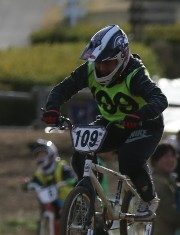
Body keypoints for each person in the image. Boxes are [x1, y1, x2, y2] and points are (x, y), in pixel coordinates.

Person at [41, 24, 167, 222]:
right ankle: (91, 195)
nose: (101, 68)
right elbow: (62, 89)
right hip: (112, 124)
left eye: (108, 64)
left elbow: (160, 99)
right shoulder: (89, 70)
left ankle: (148, 199)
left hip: (145, 125)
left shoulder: (135, 75)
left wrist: (139, 116)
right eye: (98, 63)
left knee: (129, 160)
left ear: (123, 58)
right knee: (81, 153)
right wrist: (52, 110)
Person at [23, 139, 77, 235]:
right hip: (50, 199)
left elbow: (71, 177)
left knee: (65, 214)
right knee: (47, 210)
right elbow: (35, 182)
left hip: (66, 199)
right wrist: (27, 185)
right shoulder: (40, 172)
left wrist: (70, 180)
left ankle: (70, 233)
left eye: (43, 154)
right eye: (38, 155)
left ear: (51, 153)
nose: (41, 157)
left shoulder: (61, 166)